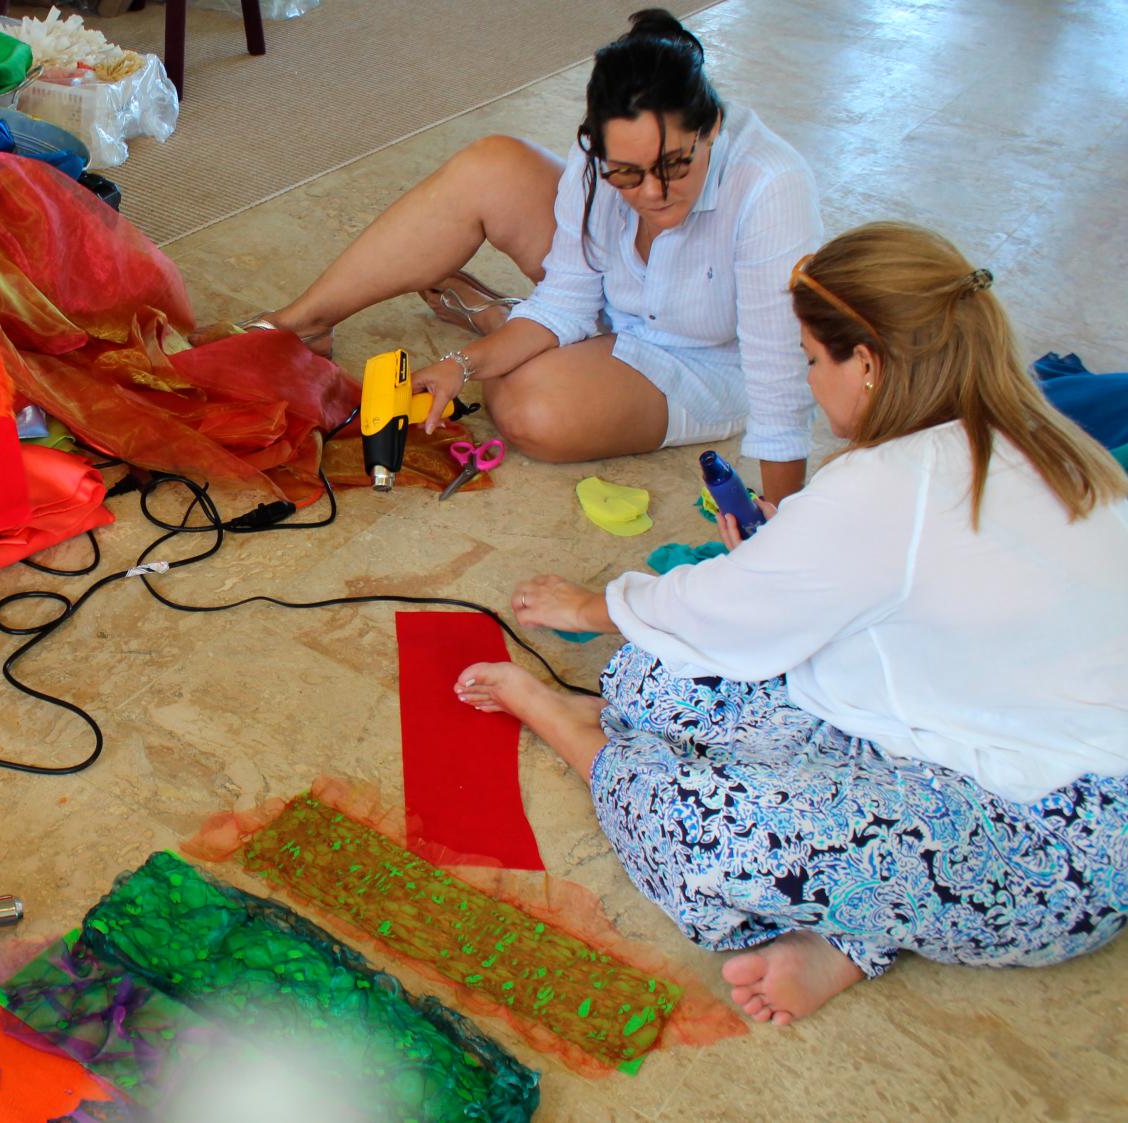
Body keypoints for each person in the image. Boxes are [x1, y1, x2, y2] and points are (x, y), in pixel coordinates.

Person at [454, 221, 1128, 1025]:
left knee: (702, 836)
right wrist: (783, 557)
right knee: (652, 673)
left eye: (812, 359)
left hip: (1059, 838)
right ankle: (856, 928)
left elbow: (728, 607)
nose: (808, 382)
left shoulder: (887, 483)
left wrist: (592, 607)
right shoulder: (1040, 435)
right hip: (951, 728)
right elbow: (882, 602)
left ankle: (581, 735)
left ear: (866, 364)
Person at [250, 9, 821, 501]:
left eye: (674, 165)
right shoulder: (597, 157)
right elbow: (569, 298)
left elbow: (780, 373)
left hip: (699, 359)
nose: (652, 193)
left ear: (713, 127)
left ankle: (503, 319)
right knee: (493, 165)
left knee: (528, 408)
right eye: (625, 173)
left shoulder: (769, 186)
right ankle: (302, 323)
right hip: (610, 302)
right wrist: (460, 365)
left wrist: (782, 526)